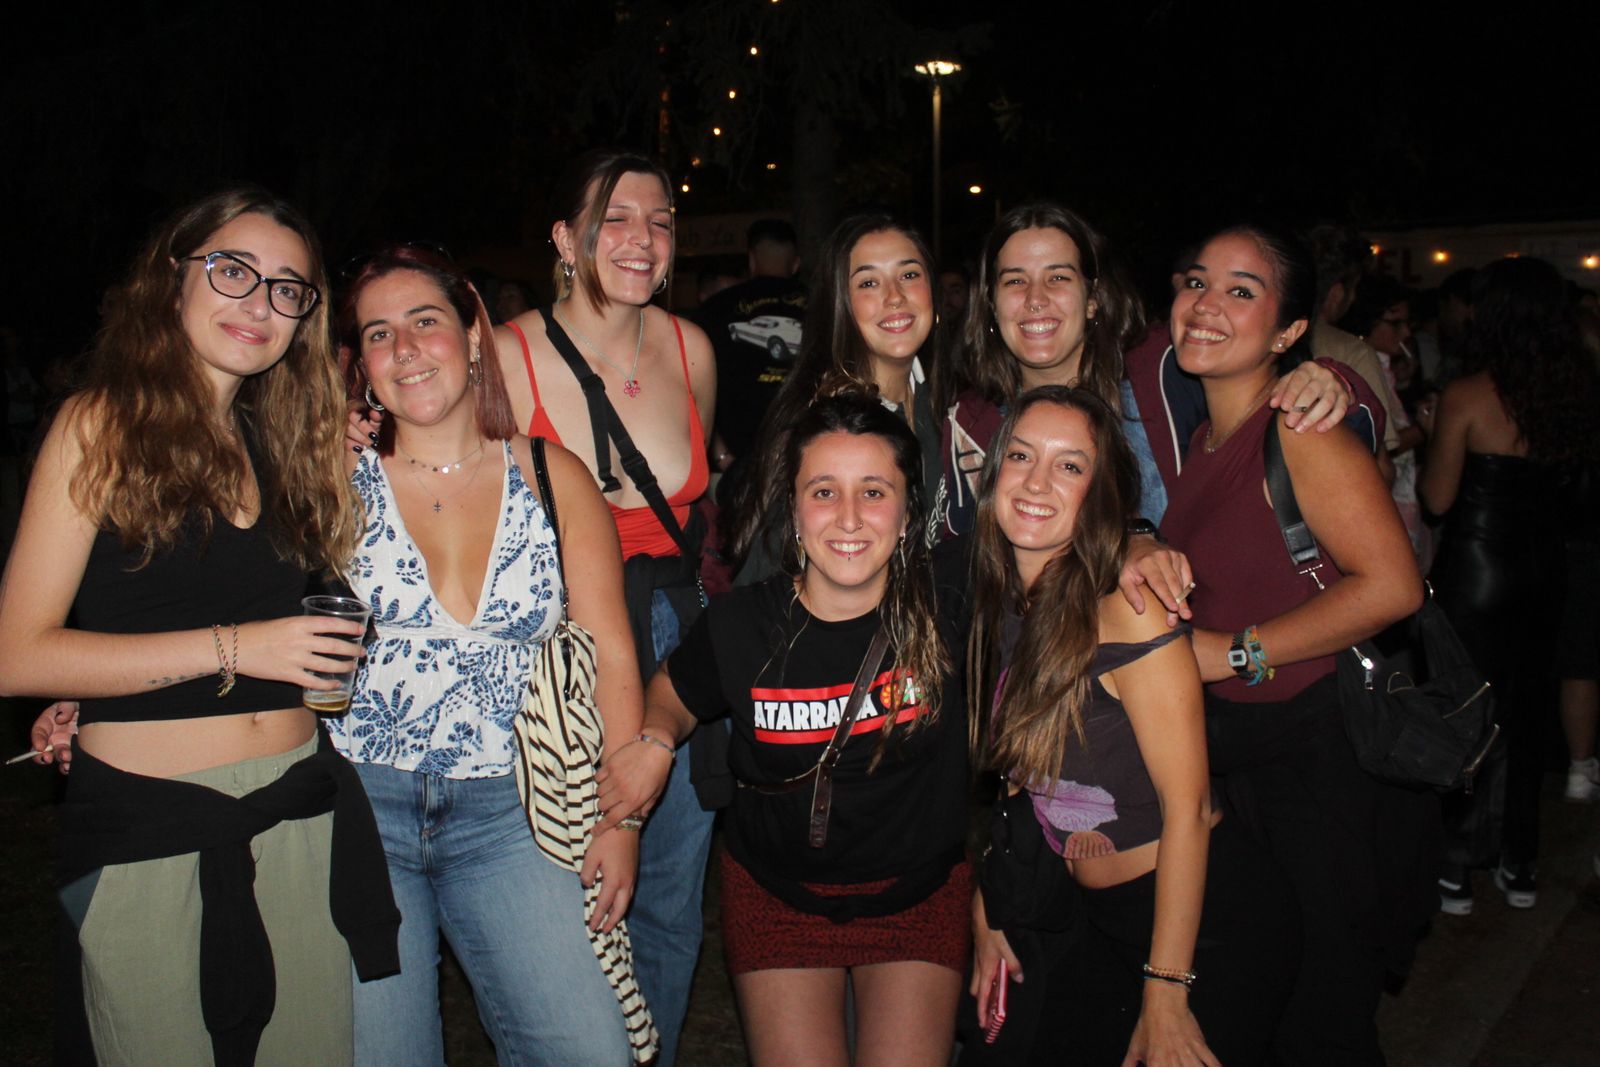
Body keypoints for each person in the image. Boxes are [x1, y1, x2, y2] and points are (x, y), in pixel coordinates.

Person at [0, 187, 398, 1065]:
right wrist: (243, 647)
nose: (259, 303)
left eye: (287, 288)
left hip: (298, 808)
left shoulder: (284, 440)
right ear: (173, 276)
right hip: (152, 824)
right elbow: (16, 653)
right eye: (233, 271)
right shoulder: (100, 425)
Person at [333, 245, 649, 1063]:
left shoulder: (551, 473)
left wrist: (619, 818)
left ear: (474, 334)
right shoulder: (330, 480)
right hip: (357, 809)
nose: (405, 348)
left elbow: (612, 651)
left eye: (425, 321)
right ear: (361, 363)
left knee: (590, 1051)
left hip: (513, 813)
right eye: (378, 333)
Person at [600, 392, 970, 1067]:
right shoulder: (742, 624)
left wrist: (1138, 544)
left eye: (874, 492)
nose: (849, 517)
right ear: (794, 512)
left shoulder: (950, 607)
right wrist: (655, 738)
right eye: (824, 491)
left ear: (907, 512)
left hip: (916, 895)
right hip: (779, 898)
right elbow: (673, 691)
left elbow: (1060, 566)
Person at [965, 387, 1297, 1066]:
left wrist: (1167, 990)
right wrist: (991, 905)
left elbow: (1189, 807)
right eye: (1021, 456)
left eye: (1069, 466)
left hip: (1205, 927)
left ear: (1101, 495)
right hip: (1100, 918)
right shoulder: (1001, 605)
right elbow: (1020, 782)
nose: (1036, 481)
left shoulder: (1128, 610)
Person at [1158, 224, 1425, 1065]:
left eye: (1241, 290)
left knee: (1321, 1018)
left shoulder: (1301, 433)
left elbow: (1394, 586)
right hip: (1237, 766)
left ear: (1289, 332)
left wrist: (1234, 651)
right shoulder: (1201, 439)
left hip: (1314, 766)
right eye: (1195, 281)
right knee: (1263, 1008)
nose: (1206, 304)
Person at [1418, 256, 1599, 912]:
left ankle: (1455, 865)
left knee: (1466, 711)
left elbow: (1437, 498)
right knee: (1525, 713)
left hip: (1478, 571)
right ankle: (1518, 862)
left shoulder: (1468, 393)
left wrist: (1435, 434)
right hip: (1544, 570)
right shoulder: (1576, 393)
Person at [728, 214, 945, 578]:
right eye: (869, 282)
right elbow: (763, 576)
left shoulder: (938, 399)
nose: (895, 296)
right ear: (840, 303)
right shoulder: (827, 425)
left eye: (909, 275)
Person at [692, 218, 807, 505]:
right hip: (808, 461)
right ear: (796, 263)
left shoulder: (716, 309)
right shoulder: (824, 306)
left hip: (738, 467)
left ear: (752, 260)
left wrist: (721, 455)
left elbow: (690, 386)